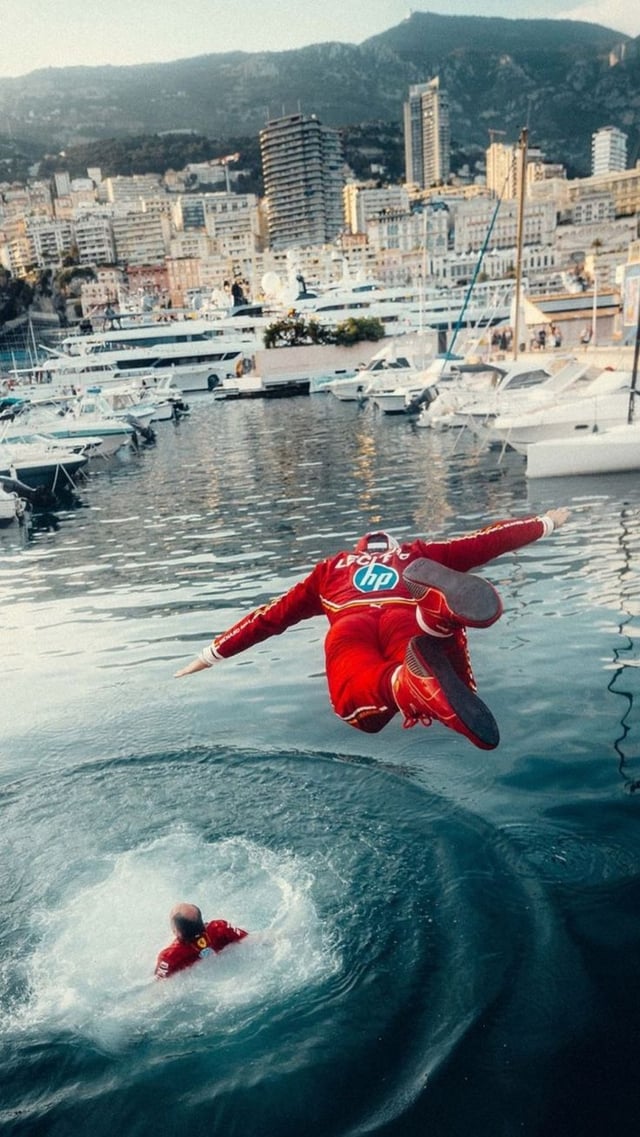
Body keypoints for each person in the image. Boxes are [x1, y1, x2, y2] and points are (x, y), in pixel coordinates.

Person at [174, 510, 570, 751]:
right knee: (426, 646)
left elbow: (269, 617)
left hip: (350, 623)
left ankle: (404, 684)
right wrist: (545, 523)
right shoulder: (416, 553)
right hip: (405, 616)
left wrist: (208, 655)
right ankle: (435, 619)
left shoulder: (330, 569)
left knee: (358, 707)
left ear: (358, 550)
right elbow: (487, 541)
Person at [155, 902, 248, 979]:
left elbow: (159, 985)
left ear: (176, 932)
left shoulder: (168, 958)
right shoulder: (221, 928)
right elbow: (250, 940)